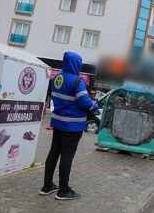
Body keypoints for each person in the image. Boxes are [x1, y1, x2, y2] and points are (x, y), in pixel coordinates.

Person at [39, 52, 98, 200]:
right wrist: (94, 104)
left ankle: (47, 186)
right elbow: (84, 102)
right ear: (76, 64)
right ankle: (63, 190)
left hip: (58, 122)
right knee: (67, 156)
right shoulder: (77, 81)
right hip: (72, 126)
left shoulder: (57, 77)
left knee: (54, 152)